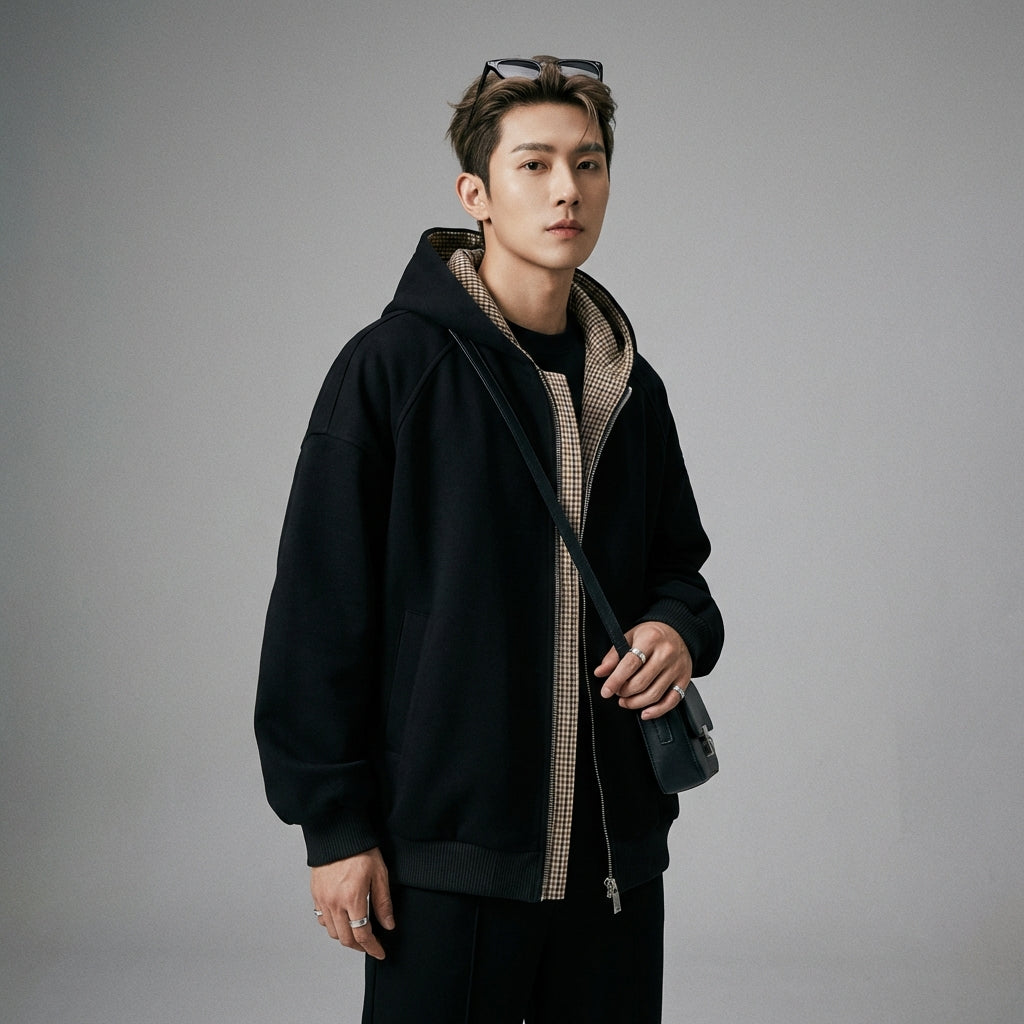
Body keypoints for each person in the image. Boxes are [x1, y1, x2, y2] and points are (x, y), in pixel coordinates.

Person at [255, 56, 724, 1023]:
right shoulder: (391, 369)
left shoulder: (632, 388)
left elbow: (682, 574)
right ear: (475, 193)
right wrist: (334, 830)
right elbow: (317, 611)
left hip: (614, 864)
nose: (567, 190)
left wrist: (677, 630)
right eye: (535, 164)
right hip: (446, 863)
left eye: (588, 164)